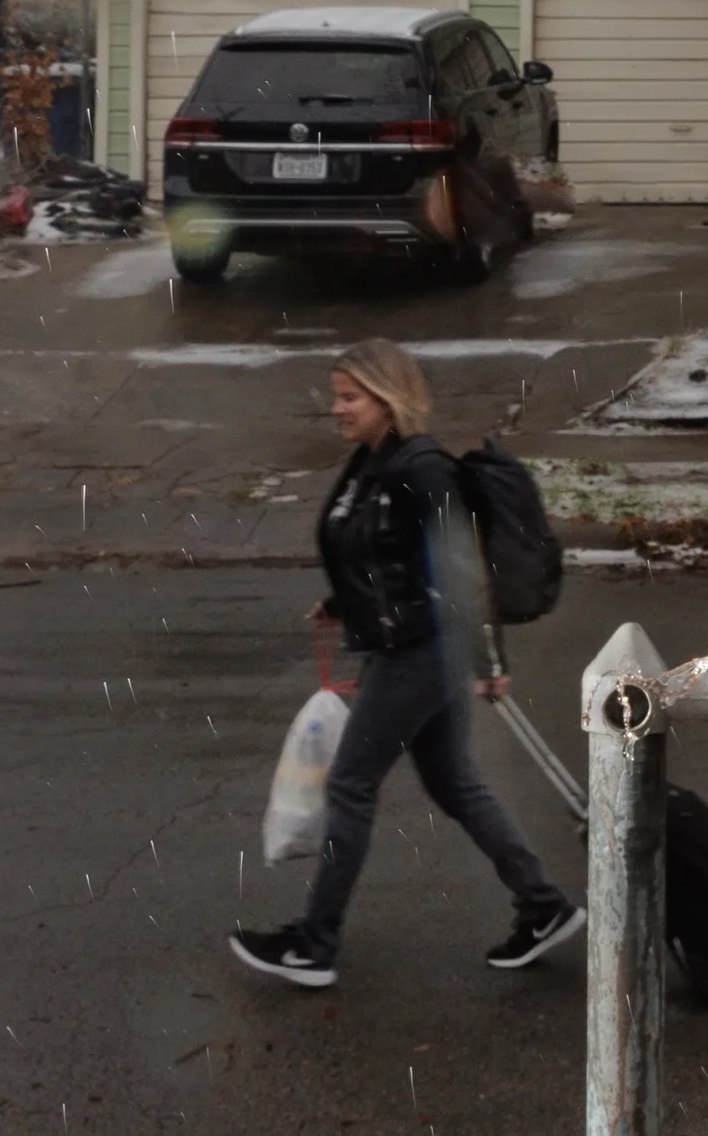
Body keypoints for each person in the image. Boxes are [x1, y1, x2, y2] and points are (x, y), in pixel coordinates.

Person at [230, 338, 580, 988]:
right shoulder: (371, 462)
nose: (337, 409)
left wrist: (488, 656)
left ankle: (315, 943)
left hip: (424, 646)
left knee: (350, 786)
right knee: (453, 782)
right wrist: (343, 601)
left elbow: (459, 566)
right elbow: (380, 550)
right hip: (406, 638)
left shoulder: (423, 468)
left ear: (388, 400)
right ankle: (543, 905)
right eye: (336, 395)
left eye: (349, 397)